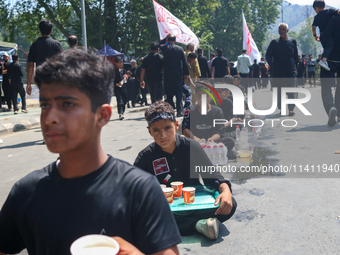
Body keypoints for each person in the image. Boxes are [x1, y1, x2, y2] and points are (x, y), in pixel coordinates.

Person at [0, 50, 181, 255]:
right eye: (45, 105)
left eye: (67, 104)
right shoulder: (26, 192)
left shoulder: (140, 191)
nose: (50, 117)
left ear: (102, 115)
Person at [134, 101, 237, 240]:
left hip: (195, 205)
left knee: (229, 205)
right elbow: (133, 191)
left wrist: (226, 191)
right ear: (149, 131)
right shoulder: (145, 157)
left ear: (176, 125)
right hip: (166, 211)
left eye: (167, 128)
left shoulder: (192, 147)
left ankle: (179, 226)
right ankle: (197, 225)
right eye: (156, 130)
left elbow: (213, 177)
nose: (163, 135)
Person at [182, 85, 236, 158]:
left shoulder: (217, 111)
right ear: (196, 96)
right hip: (195, 142)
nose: (203, 99)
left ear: (211, 96)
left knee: (230, 141)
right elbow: (185, 129)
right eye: (200, 96)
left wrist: (211, 139)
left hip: (212, 142)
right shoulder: (189, 110)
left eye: (206, 96)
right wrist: (195, 138)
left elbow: (220, 131)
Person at [265, 23, 298, 116]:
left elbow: (295, 56)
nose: (282, 31)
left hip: (290, 71)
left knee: (291, 90)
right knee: (279, 91)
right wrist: (267, 63)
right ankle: (281, 107)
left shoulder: (292, 41)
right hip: (277, 71)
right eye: (280, 29)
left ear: (287, 30)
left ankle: (291, 108)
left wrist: (296, 68)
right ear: (278, 31)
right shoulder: (274, 42)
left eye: (284, 29)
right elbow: (268, 55)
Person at [26, 19, 63, 95]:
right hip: (54, 77)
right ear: (51, 30)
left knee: (44, 97)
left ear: (40, 30)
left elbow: (31, 65)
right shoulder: (56, 44)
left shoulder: (34, 45)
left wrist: (28, 84)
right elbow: (62, 63)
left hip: (41, 77)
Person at [159, 33, 189, 117]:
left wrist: (165, 39)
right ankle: (180, 111)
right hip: (178, 74)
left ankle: (170, 111)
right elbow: (184, 61)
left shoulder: (165, 48)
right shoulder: (179, 49)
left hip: (168, 74)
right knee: (179, 93)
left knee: (169, 93)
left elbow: (160, 45)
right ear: (175, 41)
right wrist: (186, 73)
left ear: (168, 40)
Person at [318, 14, 340, 126]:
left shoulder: (334, 19)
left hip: (330, 59)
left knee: (326, 87)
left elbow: (325, 35)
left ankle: (331, 108)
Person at [312, 0, 340, 71]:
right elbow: (338, 12)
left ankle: (325, 59)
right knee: (330, 46)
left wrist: (315, 35)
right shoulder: (329, 12)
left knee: (328, 47)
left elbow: (313, 27)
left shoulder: (317, 17)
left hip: (323, 36)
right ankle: (324, 60)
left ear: (317, 8)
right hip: (329, 35)